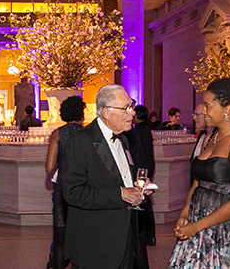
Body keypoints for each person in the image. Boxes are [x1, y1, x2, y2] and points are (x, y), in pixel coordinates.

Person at [168, 77, 230, 268]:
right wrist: (186, 212)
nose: (203, 112)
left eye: (208, 106)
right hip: (198, 219)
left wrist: (195, 226)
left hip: (227, 226)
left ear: (228, 109)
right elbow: (198, 181)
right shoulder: (210, 137)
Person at [63, 85, 153, 269]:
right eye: (126, 108)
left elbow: (120, 178)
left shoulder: (124, 138)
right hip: (95, 245)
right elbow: (73, 192)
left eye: (132, 107)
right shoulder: (80, 141)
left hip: (126, 241)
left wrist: (137, 188)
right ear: (106, 112)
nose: (132, 112)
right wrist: (120, 194)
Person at [44, 95, 85, 269]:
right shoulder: (88, 134)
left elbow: (49, 167)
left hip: (63, 189)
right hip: (84, 189)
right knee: (82, 236)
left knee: (60, 238)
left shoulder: (57, 134)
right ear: (81, 113)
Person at [132, 104, 156, 250]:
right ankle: (149, 235)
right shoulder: (145, 130)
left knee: (143, 203)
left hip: (141, 171)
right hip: (146, 168)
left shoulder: (138, 131)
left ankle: (146, 234)